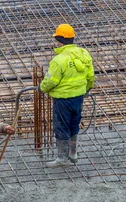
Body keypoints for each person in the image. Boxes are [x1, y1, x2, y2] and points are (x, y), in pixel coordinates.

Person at [39, 24, 94, 168]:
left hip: (63, 99)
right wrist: (85, 89)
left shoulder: (59, 60)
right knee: (74, 124)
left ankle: (63, 159)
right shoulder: (84, 54)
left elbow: (51, 80)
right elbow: (90, 76)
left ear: (59, 40)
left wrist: (41, 88)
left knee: (61, 127)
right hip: (78, 97)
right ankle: (73, 153)